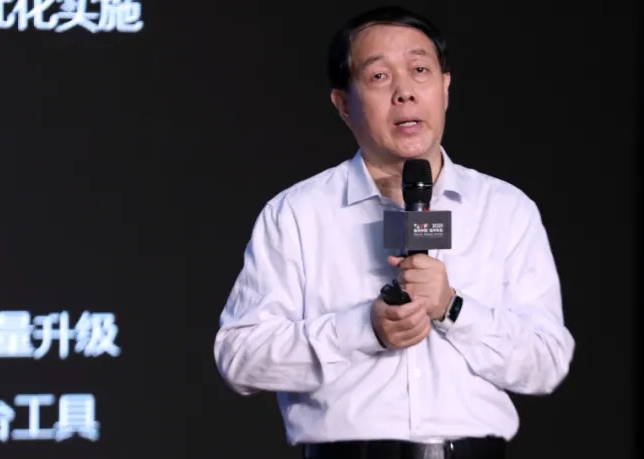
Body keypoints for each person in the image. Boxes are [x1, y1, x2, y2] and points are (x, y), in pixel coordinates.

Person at [213, 6, 575, 459]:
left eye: (420, 70)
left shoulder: (505, 209)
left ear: (445, 87)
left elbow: (546, 361)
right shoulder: (298, 214)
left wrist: (453, 308)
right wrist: (363, 329)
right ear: (343, 105)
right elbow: (241, 357)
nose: (405, 92)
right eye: (379, 77)